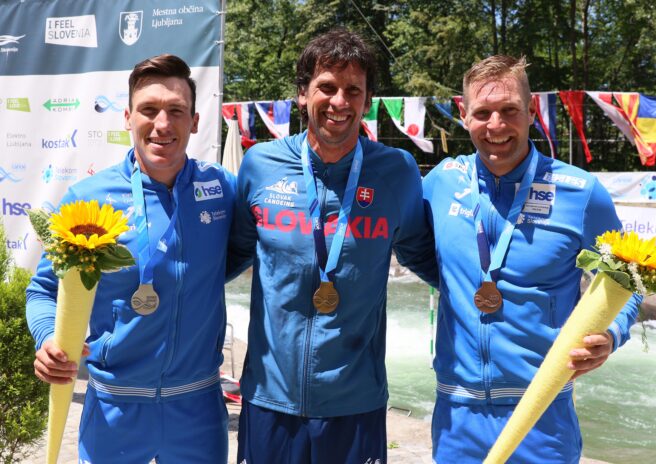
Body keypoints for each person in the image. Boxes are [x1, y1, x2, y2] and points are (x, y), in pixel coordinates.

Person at [228, 29, 438, 463]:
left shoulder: (396, 172)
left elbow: (429, 258)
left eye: (353, 90)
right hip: (270, 400)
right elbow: (226, 257)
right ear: (302, 94)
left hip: (355, 404)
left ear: (368, 100)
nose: (339, 101)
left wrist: (503, 296)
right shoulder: (261, 165)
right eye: (326, 87)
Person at [422, 55, 641, 463]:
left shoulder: (580, 193)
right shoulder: (440, 183)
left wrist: (611, 334)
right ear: (463, 115)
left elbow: (629, 281)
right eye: (482, 113)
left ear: (532, 110)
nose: (496, 125)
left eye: (509, 110)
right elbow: (405, 247)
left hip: (543, 416)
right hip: (457, 416)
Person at [26, 54, 234, 463]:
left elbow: (242, 255)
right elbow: (44, 289)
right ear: (127, 117)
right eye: (149, 110)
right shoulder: (89, 199)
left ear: (194, 121)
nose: (162, 124)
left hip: (197, 409)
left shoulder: (222, 189)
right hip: (114, 409)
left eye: (176, 111)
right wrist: (49, 337)